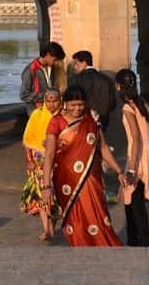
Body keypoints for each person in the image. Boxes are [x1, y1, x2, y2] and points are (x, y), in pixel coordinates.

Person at [41, 86, 125, 247]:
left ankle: (105, 246)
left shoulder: (91, 120)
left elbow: (103, 147)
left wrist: (119, 171)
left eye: (80, 104)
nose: (77, 109)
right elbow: (50, 154)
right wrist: (46, 185)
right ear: (65, 104)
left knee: (98, 213)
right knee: (75, 218)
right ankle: (80, 250)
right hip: (65, 180)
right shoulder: (56, 122)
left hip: (91, 177)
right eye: (72, 105)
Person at [115, 69, 149, 247]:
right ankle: (138, 240)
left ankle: (138, 241)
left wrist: (132, 168)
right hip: (146, 152)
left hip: (137, 155)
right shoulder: (140, 103)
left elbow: (135, 138)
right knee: (135, 199)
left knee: (133, 201)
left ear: (118, 86)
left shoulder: (127, 107)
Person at [21, 88, 62, 239]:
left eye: (55, 100)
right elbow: (27, 140)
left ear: (60, 101)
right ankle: (47, 229)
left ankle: (52, 225)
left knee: (57, 196)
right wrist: (29, 160)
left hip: (59, 160)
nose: (51, 104)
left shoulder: (64, 117)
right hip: (39, 160)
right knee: (42, 194)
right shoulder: (37, 115)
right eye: (49, 100)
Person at [70, 50, 117, 128]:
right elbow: (112, 102)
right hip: (104, 121)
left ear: (84, 63)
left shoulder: (78, 79)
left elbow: (75, 99)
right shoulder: (106, 79)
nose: (75, 67)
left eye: (76, 64)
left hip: (84, 121)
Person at [20, 41, 65, 109]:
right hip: (36, 110)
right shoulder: (30, 70)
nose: (56, 62)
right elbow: (24, 96)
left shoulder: (52, 68)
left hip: (50, 108)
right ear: (48, 55)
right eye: (55, 59)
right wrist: (50, 94)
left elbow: (49, 88)